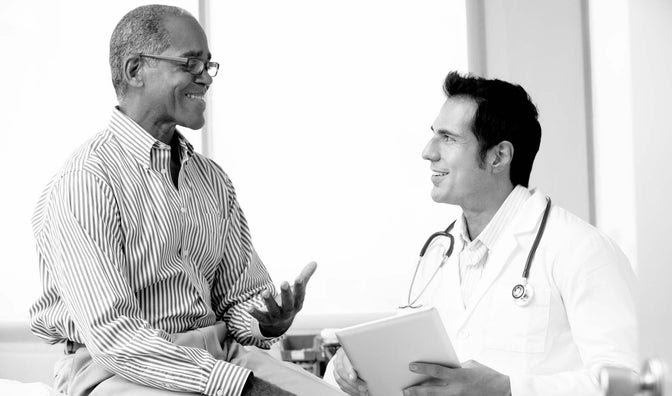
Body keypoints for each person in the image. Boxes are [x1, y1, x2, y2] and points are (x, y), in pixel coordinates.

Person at [29, 4, 342, 396]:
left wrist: (266, 322)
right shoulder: (86, 181)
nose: (206, 78)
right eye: (191, 62)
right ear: (134, 70)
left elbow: (238, 298)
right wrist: (242, 388)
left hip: (221, 355)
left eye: (208, 65)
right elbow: (114, 338)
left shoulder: (211, 180)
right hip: (119, 368)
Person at [327, 72, 638, 396]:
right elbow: (415, 365)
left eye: (448, 138)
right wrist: (354, 365)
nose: (428, 152)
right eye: (434, 135)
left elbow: (630, 382)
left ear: (498, 156)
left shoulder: (581, 250)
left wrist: (508, 390)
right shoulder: (438, 254)